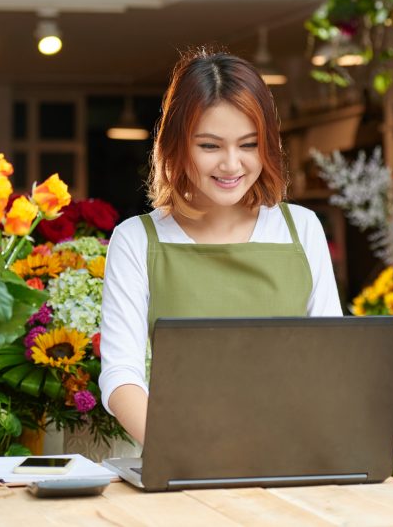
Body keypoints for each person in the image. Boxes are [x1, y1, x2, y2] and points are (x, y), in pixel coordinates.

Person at [99, 50, 343, 444]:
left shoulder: (302, 230)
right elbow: (120, 375)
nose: (232, 165)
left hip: (293, 455)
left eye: (248, 145)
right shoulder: (137, 240)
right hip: (181, 460)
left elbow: (330, 360)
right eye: (211, 146)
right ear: (176, 146)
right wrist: (179, 450)